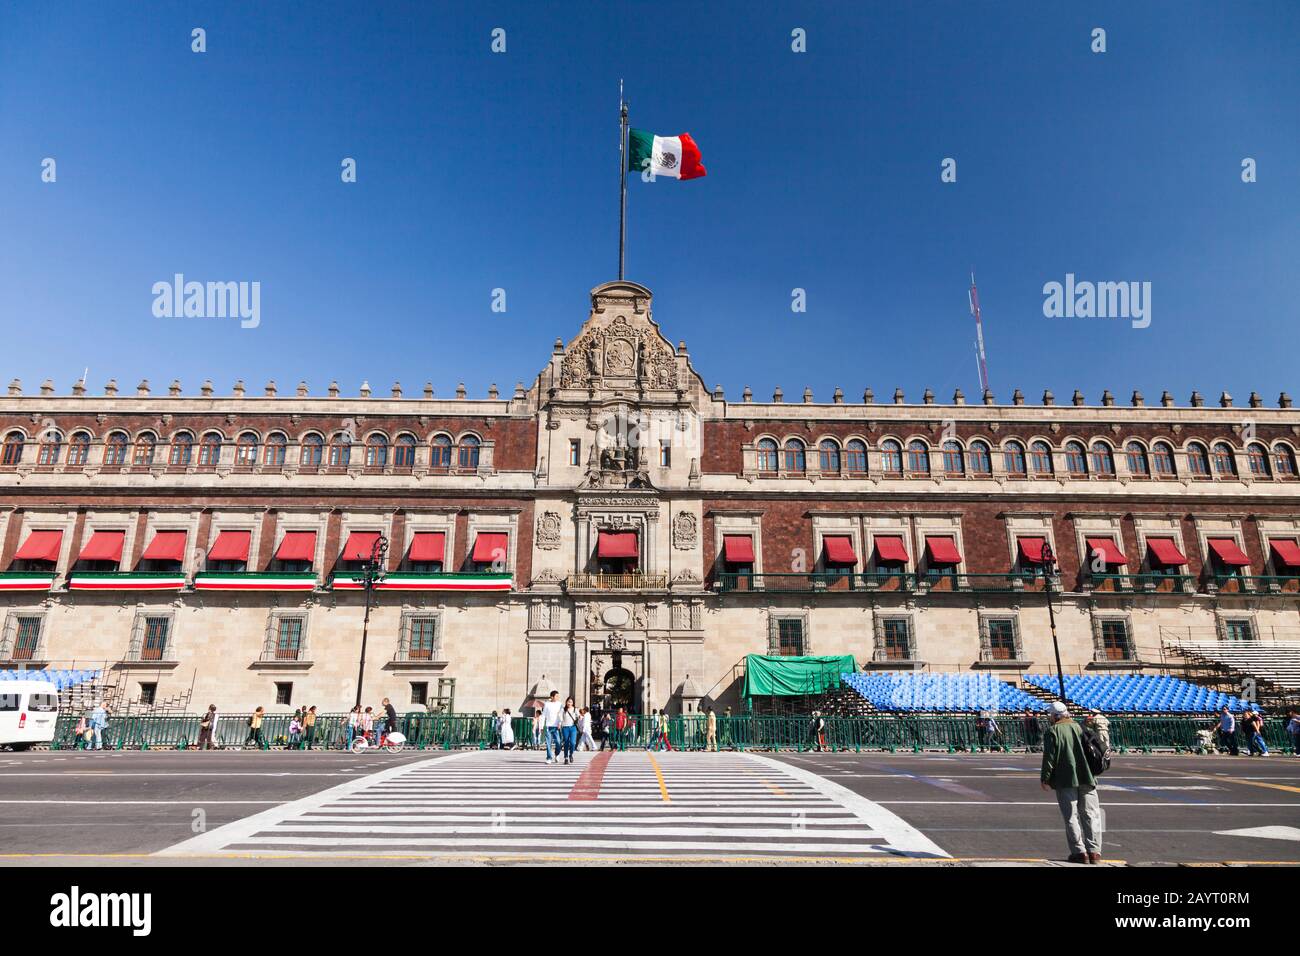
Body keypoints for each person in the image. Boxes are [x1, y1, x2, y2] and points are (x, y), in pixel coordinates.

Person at [1040, 700, 1102, 864]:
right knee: (1091, 814)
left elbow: (1049, 758)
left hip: (1066, 778)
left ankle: (1079, 852)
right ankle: (1094, 851)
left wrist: (1045, 778)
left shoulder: (1053, 731)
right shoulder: (1081, 727)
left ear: (1054, 716)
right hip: (1087, 776)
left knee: (1071, 816)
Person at [541, 690, 562, 764]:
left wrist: (560, 723)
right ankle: (549, 757)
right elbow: (543, 715)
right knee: (548, 743)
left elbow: (561, 714)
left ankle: (557, 754)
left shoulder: (560, 704)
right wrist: (541, 726)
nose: (558, 697)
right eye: (556, 696)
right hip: (548, 726)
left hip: (556, 726)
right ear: (552, 697)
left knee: (558, 742)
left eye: (558, 696)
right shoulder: (547, 704)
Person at [560, 696, 579, 764]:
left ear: (573, 703)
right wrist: (560, 724)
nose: (569, 703)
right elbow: (560, 717)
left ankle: (571, 754)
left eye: (570, 702)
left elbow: (579, 716)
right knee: (566, 743)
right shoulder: (563, 709)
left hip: (573, 727)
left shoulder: (575, 709)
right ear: (566, 702)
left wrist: (579, 718)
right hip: (565, 728)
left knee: (573, 743)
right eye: (568, 702)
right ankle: (566, 757)